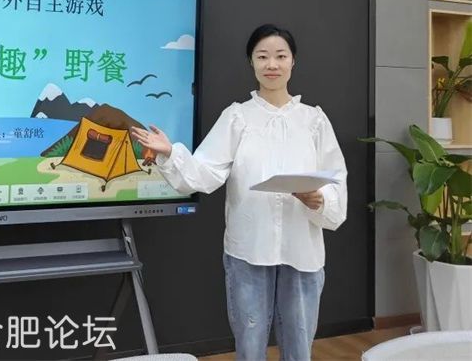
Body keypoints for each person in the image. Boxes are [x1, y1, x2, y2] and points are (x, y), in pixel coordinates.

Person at [131, 24, 347, 361]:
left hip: (302, 250)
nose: (271, 64)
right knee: (249, 343)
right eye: (262, 56)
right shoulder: (237, 117)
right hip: (249, 249)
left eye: (280, 56)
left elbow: (335, 180)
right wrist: (170, 152)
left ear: (293, 61)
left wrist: (320, 200)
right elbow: (205, 172)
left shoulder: (314, 121)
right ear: (251, 62)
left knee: (300, 344)